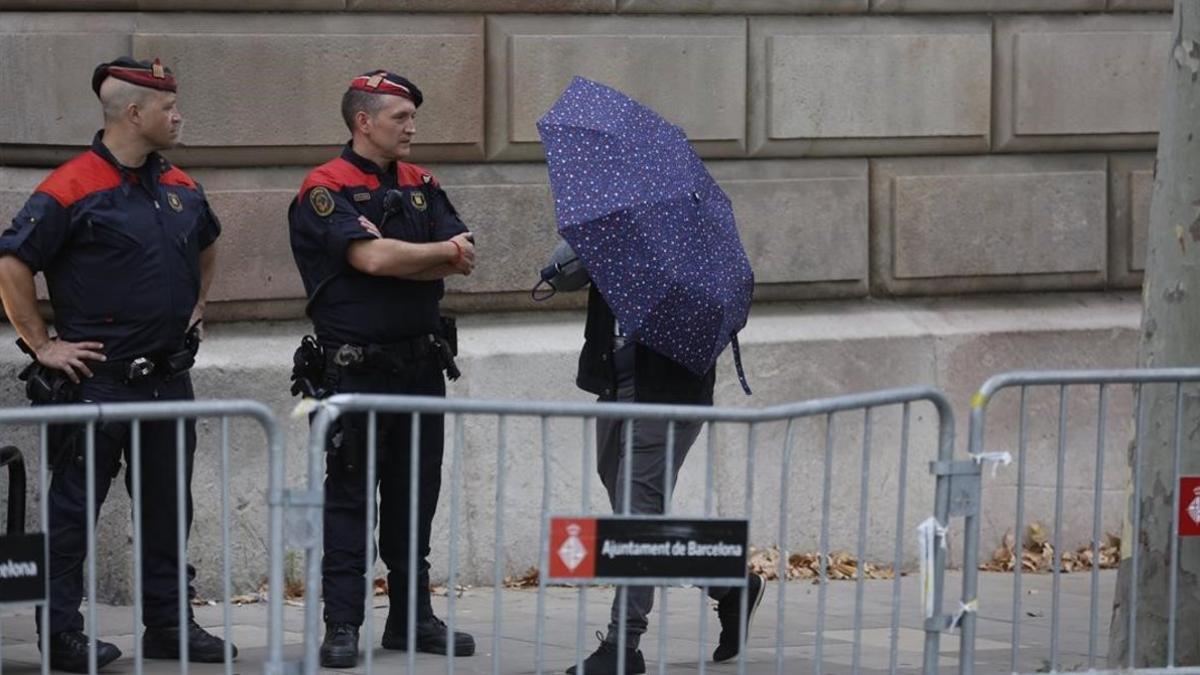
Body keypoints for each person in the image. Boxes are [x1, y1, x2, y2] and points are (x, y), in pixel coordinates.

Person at [0, 57, 234, 672]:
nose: (179, 115)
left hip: (166, 380)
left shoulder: (181, 185)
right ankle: (61, 635)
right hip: (94, 384)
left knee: (166, 509)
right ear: (134, 113)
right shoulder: (69, 186)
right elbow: (11, 265)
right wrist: (41, 345)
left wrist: (198, 306)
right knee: (70, 514)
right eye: (169, 107)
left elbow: (207, 243)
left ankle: (168, 625)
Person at [287, 69, 477, 669]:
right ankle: (342, 622)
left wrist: (424, 257)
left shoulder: (422, 182)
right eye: (400, 117)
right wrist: (428, 255)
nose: (412, 126)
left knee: (414, 497)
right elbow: (368, 258)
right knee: (348, 500)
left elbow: (462, 254)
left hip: (420, 367)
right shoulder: (326, 187)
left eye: (412, 116)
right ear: (363, 121)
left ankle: (411, 618)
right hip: (354, 374)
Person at [562, 247, 765, 675]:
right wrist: (583, 246)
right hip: (615, 388)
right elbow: (558, 276)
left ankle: (623, 645)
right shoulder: (609, 230)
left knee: (636, 521)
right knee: (636, 519)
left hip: (668, 395)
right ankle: (729, 583)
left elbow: (721, 309)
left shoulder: (692, 242)